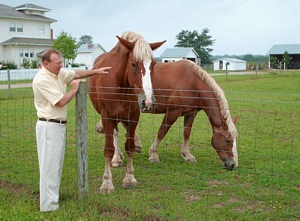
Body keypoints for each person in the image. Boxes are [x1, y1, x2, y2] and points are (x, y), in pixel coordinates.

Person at [32, 49, 111, 212]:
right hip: (49, 126)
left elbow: (76, 73)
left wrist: (96, 71)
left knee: (56, 165)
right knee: (49, 167)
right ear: (46, 63)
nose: (61, 65)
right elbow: (60, 102)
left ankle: (53, 201)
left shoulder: (58, 74)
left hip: (58, 125)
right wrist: (74, 90)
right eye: (58, 63)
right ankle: (48, 206)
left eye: (62, 62)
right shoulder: (42, 80)